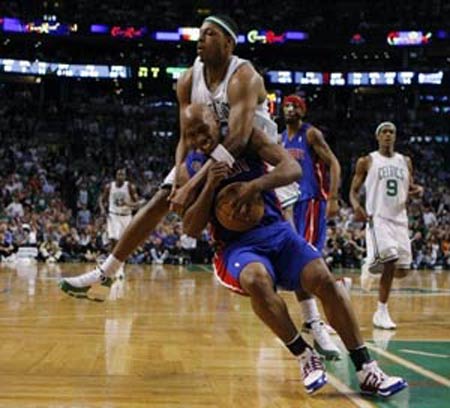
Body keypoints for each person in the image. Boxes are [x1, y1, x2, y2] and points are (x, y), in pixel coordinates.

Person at [180, 104, 407, 397]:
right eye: (191, 134)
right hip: (236, 248)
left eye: (203, 129)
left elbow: (293, 168)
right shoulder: (190, 168)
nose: (200, 138)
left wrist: (256, 185)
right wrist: (210, 185)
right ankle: (304, 355)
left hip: (278, 232)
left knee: (323, 278)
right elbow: (189, 228)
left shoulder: (247, 139)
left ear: (216, 121)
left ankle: (366, 369)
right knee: (255, 279)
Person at [59, 14, 278, 298]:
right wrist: (178, 177)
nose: (201, 39)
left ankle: (312, 316)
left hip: (257, 153)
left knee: (286, 221)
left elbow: (237, 140)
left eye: (210, 34)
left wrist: (191, 184)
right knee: (160, 199)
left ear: (228, 43)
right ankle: (107, 271)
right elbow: (186, 135)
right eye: (200, 33)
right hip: (213, 152)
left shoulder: (244, 76)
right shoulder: (188, 79)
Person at [279, 94, 343, 360]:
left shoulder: (311, 134)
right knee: (299, 261)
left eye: (295, 105)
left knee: (306, 259)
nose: (290, 109)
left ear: (302, 110)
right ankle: (313, 317)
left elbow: (334, 163)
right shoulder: (280, 139)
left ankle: (317, 318)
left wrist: (334, 197)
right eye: (287, 105)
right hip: (291, 204)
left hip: (313, 201)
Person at [349, 122, 423, 329]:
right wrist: (356, 207)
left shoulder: (405, 161)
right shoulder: (367, 161)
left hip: (400, 219)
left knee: (402, 270)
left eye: (392, 131)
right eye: (384, 132)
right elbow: (353, 191)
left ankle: (370, 267)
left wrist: (417, 191)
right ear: (378, 136)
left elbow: (408, 188)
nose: (388, 135)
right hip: (378, 218)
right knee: (390, 260)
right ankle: (381, 312)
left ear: (395, 136)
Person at [98, 168, 139, 278]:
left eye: (123, 175)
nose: (121, 176)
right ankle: (112, 267)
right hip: (113, 216)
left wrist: (128, 204)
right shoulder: (109, 187)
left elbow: (137, 203)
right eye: (119, 174)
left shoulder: (130, 187)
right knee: (113, 239)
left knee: (124, 242)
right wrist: (102, 210)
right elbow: (101, 200)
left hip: (126, 217)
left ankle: (120, 267)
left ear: (125, 176)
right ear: (115, 176)